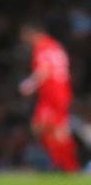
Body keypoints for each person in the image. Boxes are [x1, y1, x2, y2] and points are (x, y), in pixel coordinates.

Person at [19, 24, 79, 174]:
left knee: (57, 130)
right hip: (59, 92)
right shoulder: (56, 46)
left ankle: (68, 165)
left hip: (53, 95)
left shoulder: (42, 48)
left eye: (25, 37)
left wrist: (30, 84)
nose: (25, 41)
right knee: (43, 127)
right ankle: (61, 162)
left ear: (32, 34)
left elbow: (44, 69)